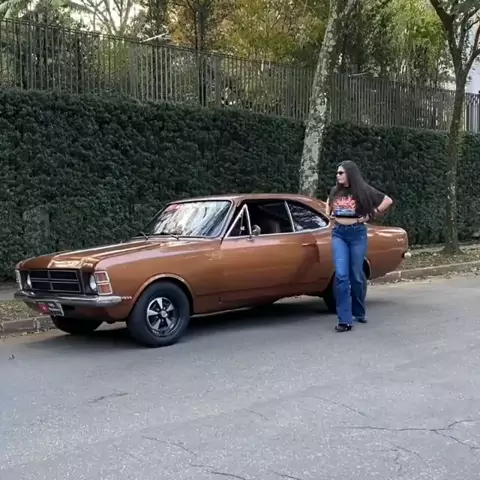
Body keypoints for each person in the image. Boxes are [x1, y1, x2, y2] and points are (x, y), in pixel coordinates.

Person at [326, 160, 393, 332]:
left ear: (350, 173)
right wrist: (329, 214)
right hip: (339, 234)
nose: (338, 175)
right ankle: (344, 320)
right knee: (341, 275)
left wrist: (372, 215)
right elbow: (328, 203)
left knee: (356, 275)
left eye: (341, 173)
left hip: (357, 234)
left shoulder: (363, 190)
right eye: (337, 173)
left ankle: (359, 311)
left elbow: (387, 200)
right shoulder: (335, 191)